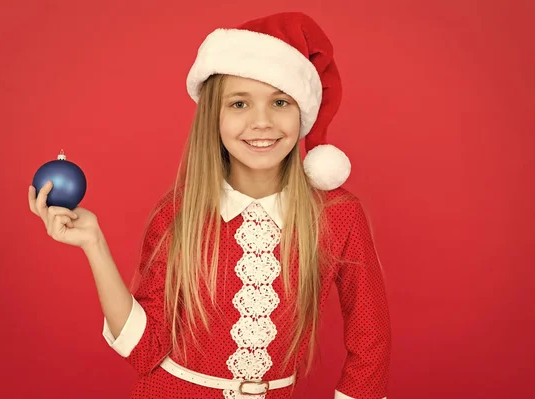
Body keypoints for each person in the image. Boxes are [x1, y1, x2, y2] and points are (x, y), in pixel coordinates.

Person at [28, 11, 391, 399]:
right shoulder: (179, 212)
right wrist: (93, 243)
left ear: (302, 113)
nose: (262, 122)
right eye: (239, 104)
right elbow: (144, 348)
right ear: (213, 117)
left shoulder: (337, 215)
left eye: (280, 102)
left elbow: (371, 339)